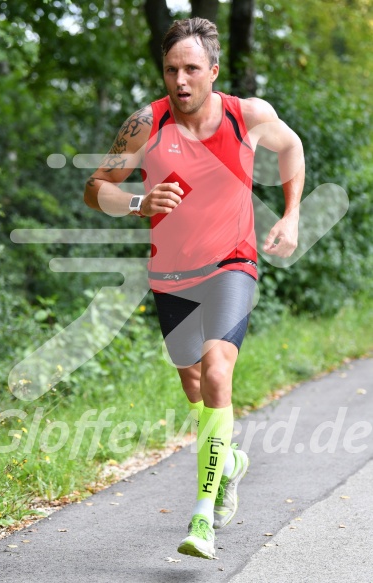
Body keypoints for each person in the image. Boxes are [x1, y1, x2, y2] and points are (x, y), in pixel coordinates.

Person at [84, 17, 304, 560]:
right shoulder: (144, 125)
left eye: (190, 69)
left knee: (217, 370)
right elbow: (96, 189)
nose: (179, 80)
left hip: (232, 263)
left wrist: (292, 215)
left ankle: (203, 516)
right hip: (171, 275)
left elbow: (292, 147)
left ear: (213, 70)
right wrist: (139, 202)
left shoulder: (246, 115)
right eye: (169, 69)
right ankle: (227, 459)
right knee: (192, 383)